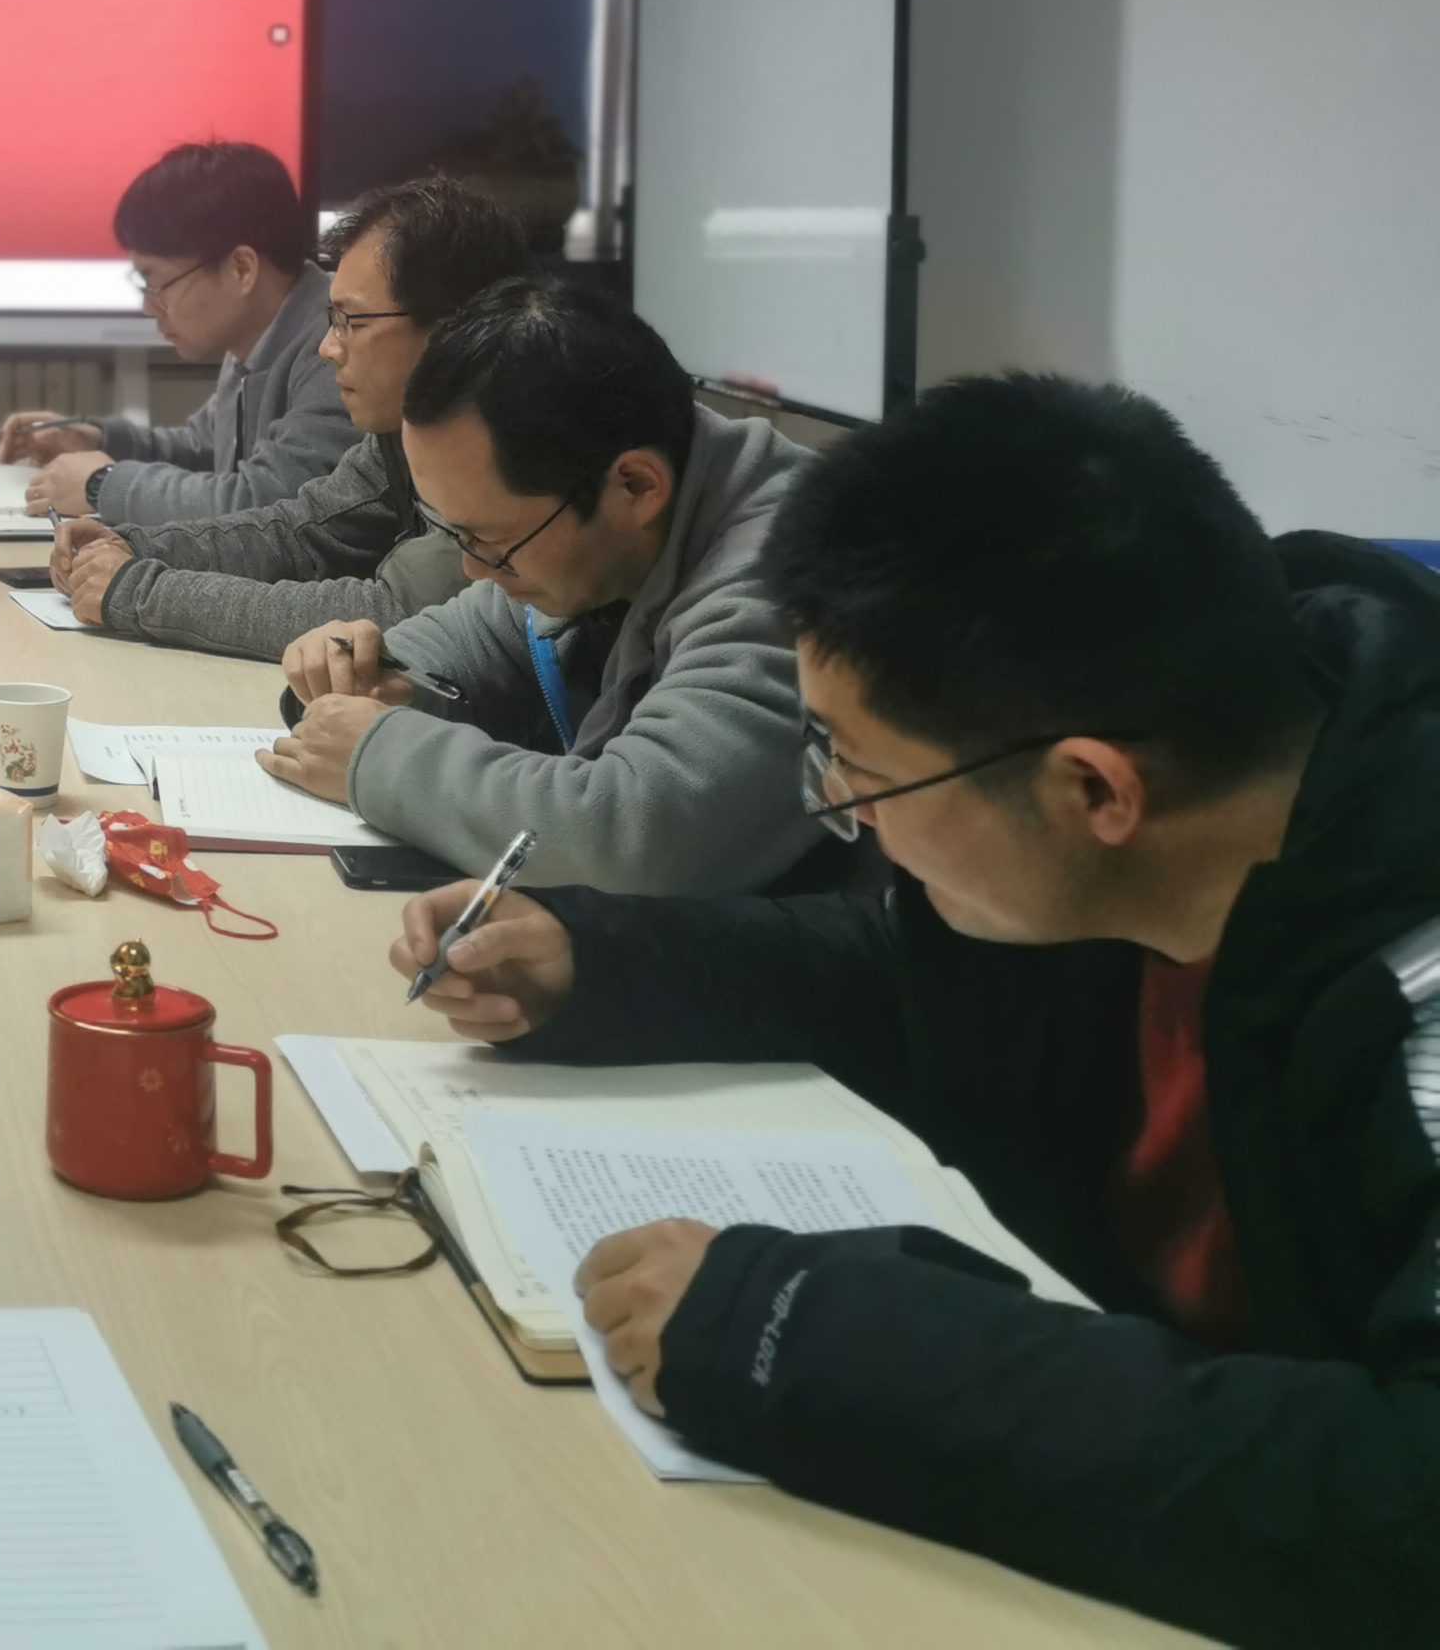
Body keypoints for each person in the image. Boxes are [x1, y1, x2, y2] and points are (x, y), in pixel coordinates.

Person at [395, 376, 1440, 1649]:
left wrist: (801, 1337)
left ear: (1094, 793)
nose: (840, 811)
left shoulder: (1412, 989)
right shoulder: (1181, 766)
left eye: (858, 768)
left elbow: (1407, 1498)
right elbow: (915, 974)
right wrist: (596, 960)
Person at [265, 273, 821, 894]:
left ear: (636, 486)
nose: (474, 569)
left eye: (491, 540)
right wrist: (373, 676)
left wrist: (382, 758)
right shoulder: (602, 507)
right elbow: (470, 640)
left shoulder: (792, 575)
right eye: (455, 533)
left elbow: (638, 833)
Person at [49, 172, 532, 657]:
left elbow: (397, 614)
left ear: (453, 328)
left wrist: (140, 589)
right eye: (332, 321)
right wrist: (134, 546)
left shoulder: (502, 440)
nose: (328, 348)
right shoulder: (398, 429)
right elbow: (302, 531)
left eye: (351, 322)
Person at [0, 139, 347, 523]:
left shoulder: (339, 344)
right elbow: (202, 449)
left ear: (242, 269)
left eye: (158, 283)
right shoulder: (256, 334)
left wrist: (101, 484)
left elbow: (267, 503)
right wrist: (98, 440)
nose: (148, 306)